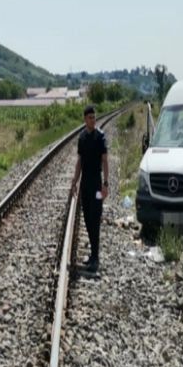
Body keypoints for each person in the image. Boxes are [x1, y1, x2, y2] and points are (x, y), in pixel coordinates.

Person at [69, 105, 109, 273]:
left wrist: (105, 184)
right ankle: (92, 256)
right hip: (85, 184)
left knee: (95, 218)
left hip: (97, 184)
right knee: (87, 219)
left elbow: (105, 161)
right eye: (90, 118)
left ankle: (96, 257)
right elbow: (79, 162)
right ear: (85, 119)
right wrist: (74, 182)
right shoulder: (82, 137)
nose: (93, 120)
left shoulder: (100, 137)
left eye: (94, 117)